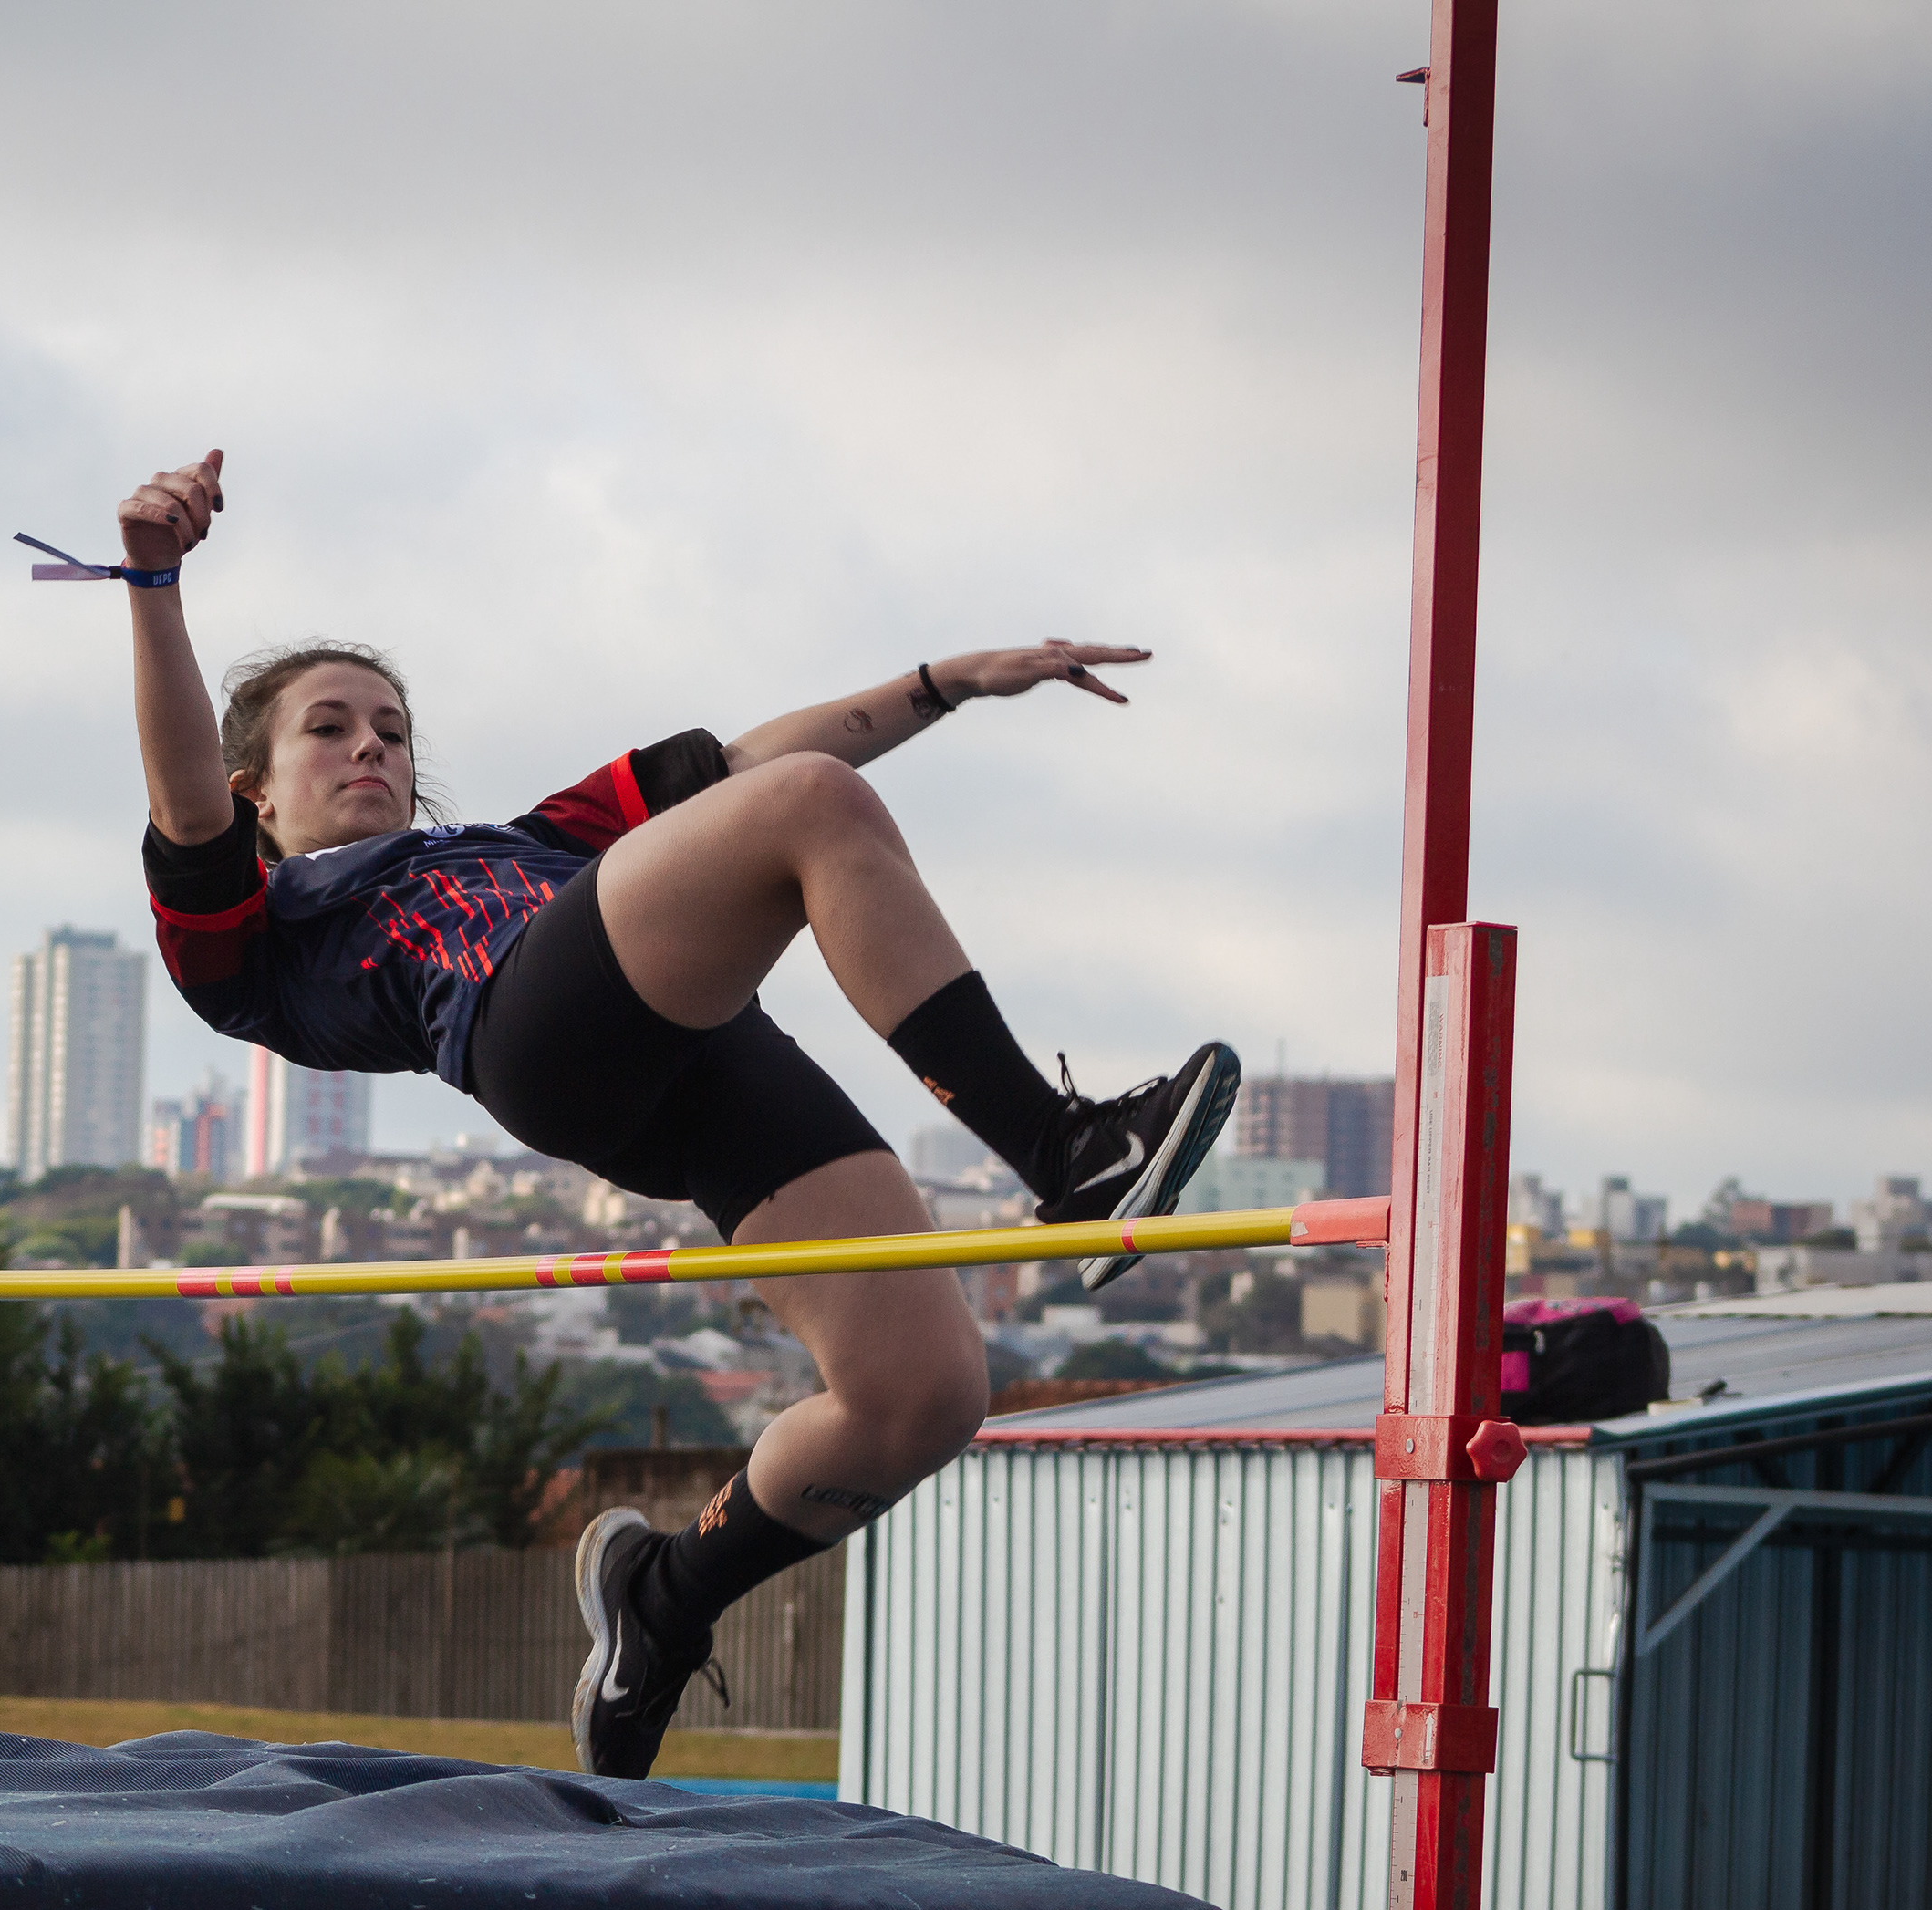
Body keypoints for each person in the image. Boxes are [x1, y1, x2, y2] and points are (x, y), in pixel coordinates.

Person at [109, 449, 1237, 1779]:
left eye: (394, 730)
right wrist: (153, 583)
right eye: (330, 727)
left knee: (924, 1394)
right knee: (809, 810)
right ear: (257, 788)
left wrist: (950, 682)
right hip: (533, 1037)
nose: (372, 745)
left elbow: (754, 757)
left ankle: (664, 1600)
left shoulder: (534, 839)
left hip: (698, 1062)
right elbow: (185, 799)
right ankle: (1065, 1151)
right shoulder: (254, 938)